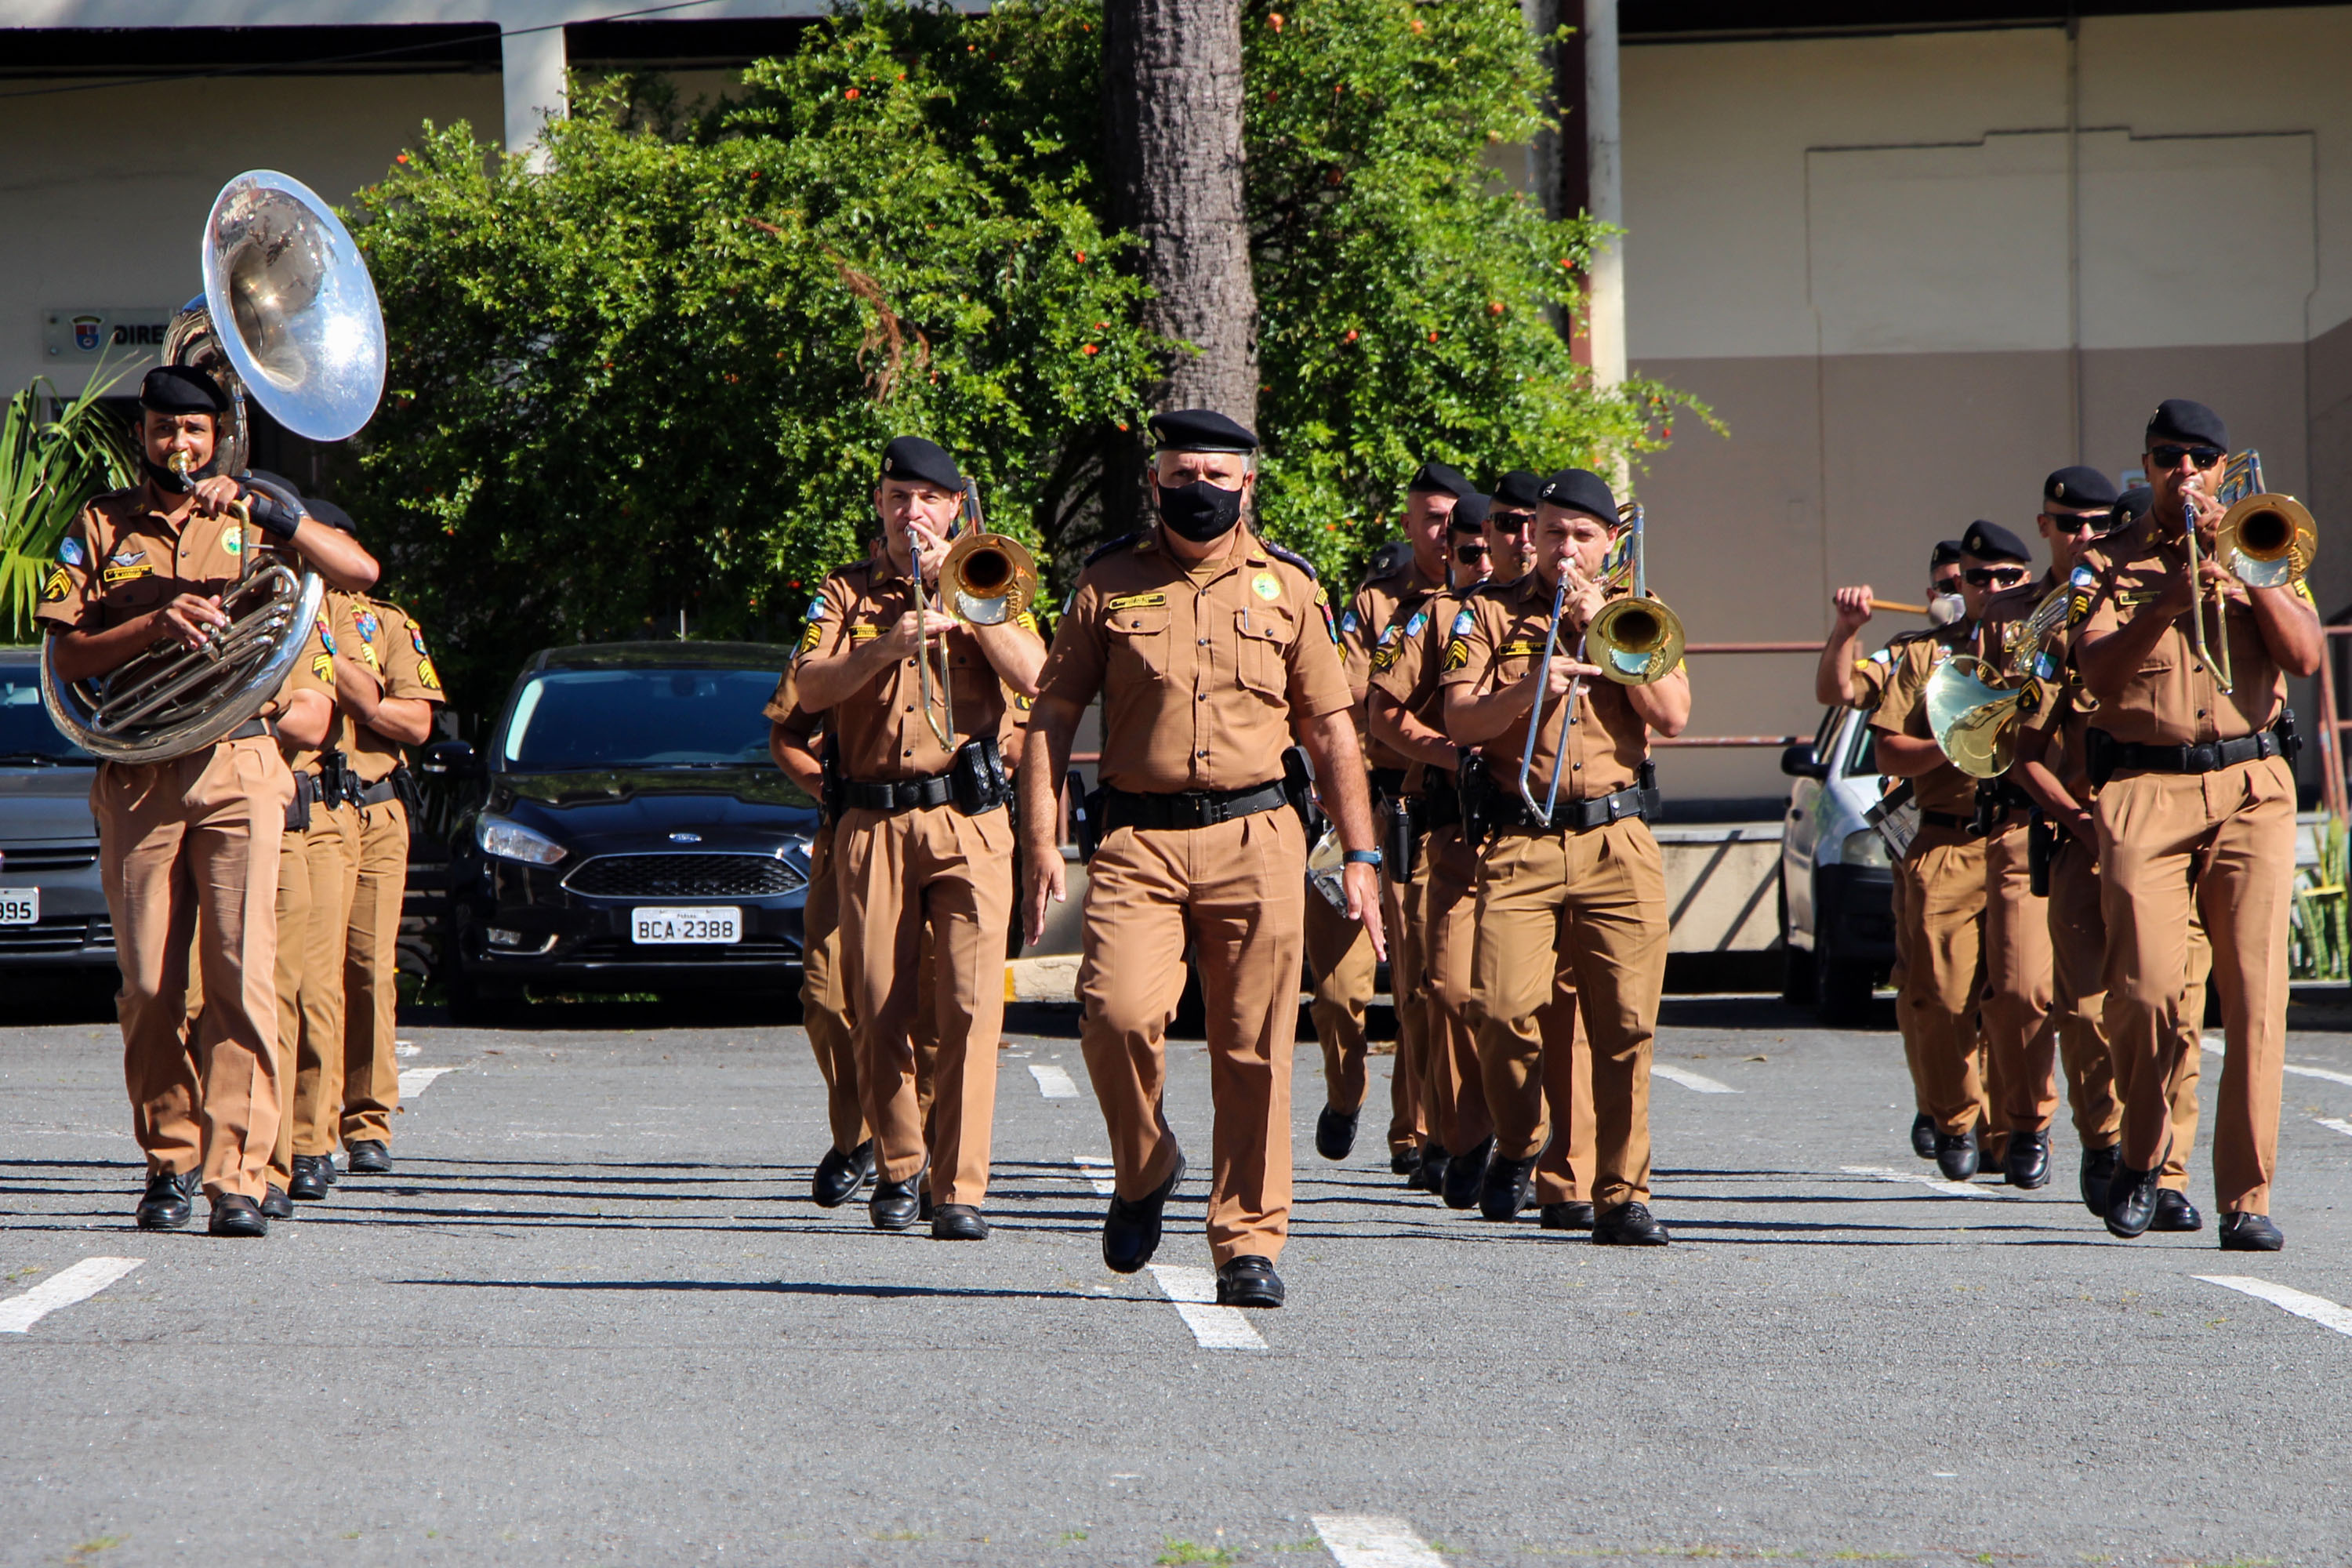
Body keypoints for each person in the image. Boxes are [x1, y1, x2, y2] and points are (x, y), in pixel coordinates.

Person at [1019, 408, 1384, 1308]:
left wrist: (1363, 852)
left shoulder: (1290, 589)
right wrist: (1039, 837)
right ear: (1155, 481)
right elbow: (1052, 715)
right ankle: (1147, 1165)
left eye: (1219, 477)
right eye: (1183, 473)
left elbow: (1332, 728)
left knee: (1254, 1047)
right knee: (1113, 1013)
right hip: (1136, 837)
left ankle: (1248, 1239)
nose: (1201, 490)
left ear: (1248, 484)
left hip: (1258, 835)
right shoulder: (1106, 582)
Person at [38, 364, 376, 1237]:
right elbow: (66, 660)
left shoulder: (250, 513)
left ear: (217, 434)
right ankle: (170, 1157)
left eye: (193, 432)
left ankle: (237, 1172)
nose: (177, 446)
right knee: (150, 982)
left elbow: (360, 570)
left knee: (239, 971)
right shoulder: (102, 524)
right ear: (142, 434)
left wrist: (279, 512)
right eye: (162, 431)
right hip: (142, 773)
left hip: (239, 765)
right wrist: (154, 623)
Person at [2071, 399, 2321, 1250]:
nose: (2184, 473)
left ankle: (2245, 1198)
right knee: (2144, 994)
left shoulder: (2263, 539)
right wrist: (2161, 603)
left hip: (2253, 782)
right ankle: (2142, 1157)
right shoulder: (2106, 562)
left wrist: (2239, 573)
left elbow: (2308, 656)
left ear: (2222, 470)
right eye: (2167, 458)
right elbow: (2095, 677)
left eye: (2199, 460)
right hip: (2146, 785)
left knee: (2255, 998)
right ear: (2145, 467)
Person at [796, 437, 1044, 1241]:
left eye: (928, 500)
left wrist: (957, 590)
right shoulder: (846, 592)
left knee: (971, 1005)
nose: (913, 513)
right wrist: (881, 648)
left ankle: (959, 1184)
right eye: (899, 497)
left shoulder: (990, 572)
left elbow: (1036, 673)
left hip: (968, 819)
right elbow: (807, 685)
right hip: (873, 819)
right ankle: (902, 1162)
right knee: (875, 999)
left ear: (954, 508)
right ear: (881, 503)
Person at [1441, 468, 1691, 1245]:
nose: (1567, 548)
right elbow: (1458, 719)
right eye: (1553, 533)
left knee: (1623, 1027)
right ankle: (1520, 1137)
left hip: (1617, 838)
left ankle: (1622, 1194)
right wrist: (1530, 691)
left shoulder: (1638, 615)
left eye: (1584, 535)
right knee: (1501, 1011)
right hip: (1522, 835)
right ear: (1532, 536)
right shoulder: (1485, 612)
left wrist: (1605, 628)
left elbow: (1673, 714)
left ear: (1609, 543)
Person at [2012, 483, 2212, 1224]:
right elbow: (2022, 752)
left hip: (2171, 847)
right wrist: (2082, 823)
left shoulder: (2198, 628)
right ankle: (2105, 1138)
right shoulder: (2065, 634)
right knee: (2093, 1010)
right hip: (2085, 844)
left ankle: (2169, 1175)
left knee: (2178, 1011)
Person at [1320, 460, 1471, 1182]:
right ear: (1409, 524)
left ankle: (1418, 1132)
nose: (1445, 533)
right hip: (1367, 797)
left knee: (1421, 978)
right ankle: (1345, 1094)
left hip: (1434, 804)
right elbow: (1349, 701)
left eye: (1455, 519)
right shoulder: (1378, 602)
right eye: (1432, 519)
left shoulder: (1491, 598)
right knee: (1339, 989)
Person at [1869, 521, 2034, 1181]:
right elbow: (1886, 752)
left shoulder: (2045, 649)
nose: (1990, 589)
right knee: (1938, 994)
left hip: (2022, 833)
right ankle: (1954, 1117)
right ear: (1957, 584)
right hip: (1947, 837)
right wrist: (1958, 740)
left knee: (2024, 993)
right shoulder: (1923, 657)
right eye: (1976, 578)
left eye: (2006, 578)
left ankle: (2023, 1129)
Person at [1817, 539, 1967, 1160]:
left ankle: (2010, 1124)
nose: (1957, 593)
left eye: (1971, 580)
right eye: (1945, 585)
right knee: (1926, 986)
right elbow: (1838, 690)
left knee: (2014, 991)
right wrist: (1846, 631)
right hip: (1928, 829)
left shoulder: (2020, 645)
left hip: (2008, 830)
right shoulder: (1912, 653)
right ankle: (1939, 1102)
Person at [332, 545, 445, 1178]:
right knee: (300, 972)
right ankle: (305, 1122)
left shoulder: (385, 623)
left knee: (369, 968)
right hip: (299, 807)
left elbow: (416, 723)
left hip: (375, 807)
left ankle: (367, 1122)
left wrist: (364, 701)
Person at [272, 582, 368, 1210]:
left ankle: (304, 1144)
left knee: (313, 986)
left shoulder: (329, 615)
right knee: (194, 992)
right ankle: (220, 1147)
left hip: (314, 806)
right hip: (215, 800)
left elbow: (399, 715)